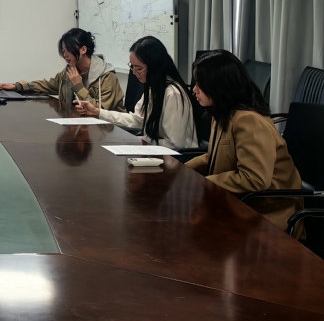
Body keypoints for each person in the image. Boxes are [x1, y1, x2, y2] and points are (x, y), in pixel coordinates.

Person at [185, 50, 302, 230]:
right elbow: (214, 157)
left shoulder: (249, 120)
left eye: (200, 84)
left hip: (266, 211)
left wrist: (205, 183)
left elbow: (254, 178)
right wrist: (180, 171)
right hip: (238, 203)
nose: (194, 89)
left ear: (218, 86)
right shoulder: (221, 113)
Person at [75, 36, 198, 149]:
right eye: (132, 67)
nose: (134, 72)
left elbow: (175, 144)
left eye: (139, 68)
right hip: (158, 152)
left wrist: (140, 141)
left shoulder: (173, 94)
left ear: (154, 67)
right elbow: (137, 120)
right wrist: (97, 112)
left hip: (178, 159)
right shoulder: (153, 88)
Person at [0, 28, 125, 110]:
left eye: (68, 50)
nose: (65, 55)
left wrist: (78, 86)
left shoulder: (107, 76)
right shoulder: (70, 70)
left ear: (83, 49)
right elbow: (48, 85)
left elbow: (101, 111)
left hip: (110, 131)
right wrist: (17, 86)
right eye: (63, 51)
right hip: (81, 124)